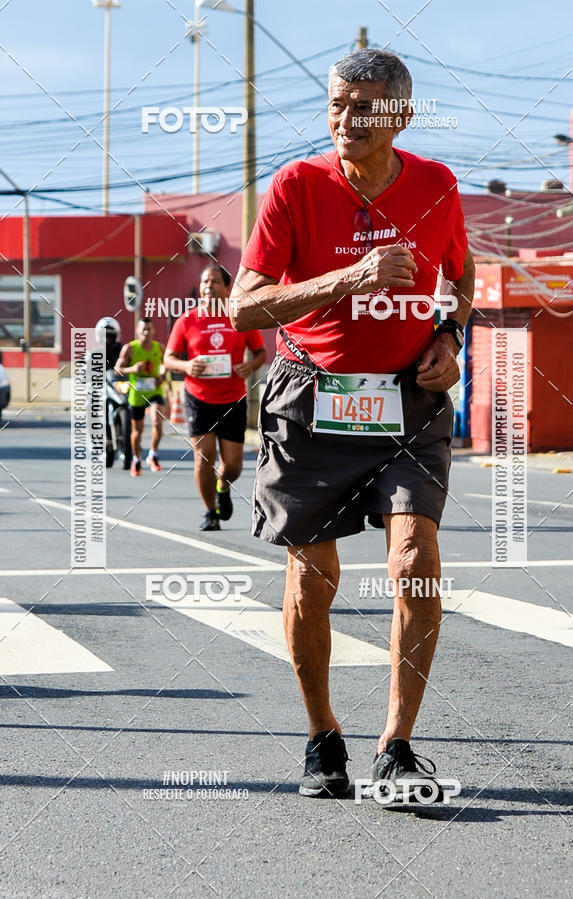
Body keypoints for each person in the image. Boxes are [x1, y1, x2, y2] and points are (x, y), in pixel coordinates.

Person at [230, 48, 474, 799]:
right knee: (313, 578)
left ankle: (396, 744)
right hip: (312, 401)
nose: (346, 119)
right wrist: (353, 276)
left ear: (400, 115)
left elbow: (459, 281)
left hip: (407, 401)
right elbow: (244, 306)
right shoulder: (296, 186)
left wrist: (450, 338)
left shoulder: (437, 186)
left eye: (364, 106)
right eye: (337, 103)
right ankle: (322, 736)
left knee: (416, 558)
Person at [164, 264, 266, 531]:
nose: (208, 286)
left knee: (232, 465)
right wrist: (187, 366)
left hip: (233, 398)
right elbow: (169, 358)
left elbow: (260, 353)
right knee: (204, 456)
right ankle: (210, 512)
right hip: (198, 398)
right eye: (204, 282)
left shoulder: (238, 318)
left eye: (214, 282)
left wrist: (250, 367)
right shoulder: (187, 320)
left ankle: (223, 485)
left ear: (226, 287)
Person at [116, 317, 165, 476]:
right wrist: (133, 369)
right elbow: (118, 369)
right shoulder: (130, 348)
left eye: (149, 329)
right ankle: (137, 459)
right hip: (137, 394)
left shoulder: (159, 348)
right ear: (137, 330)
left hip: (155, 391)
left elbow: (166, 365)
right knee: (137, 430)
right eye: (143, 329)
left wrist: (162, 376)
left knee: (157, 422)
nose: (146, 332)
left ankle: (153, 454)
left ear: (154, 331)